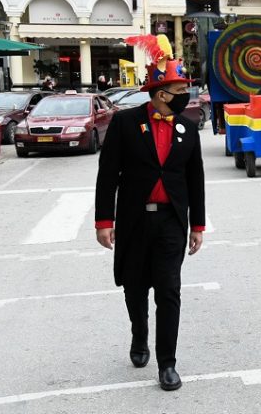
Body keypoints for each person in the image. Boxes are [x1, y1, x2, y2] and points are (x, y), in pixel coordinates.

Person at [94, 36, 206, 391]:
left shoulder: (188, 128)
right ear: (159, 93)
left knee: (169, 291)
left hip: (171, 222)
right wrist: (103, 222)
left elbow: (195, 178)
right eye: (177, 90)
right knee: (135, 288)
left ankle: (167, 364)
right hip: (134, 220)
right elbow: (108, 174)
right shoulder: (125, 123)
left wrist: (198, 224)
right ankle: (139, 335)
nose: (184, 95)